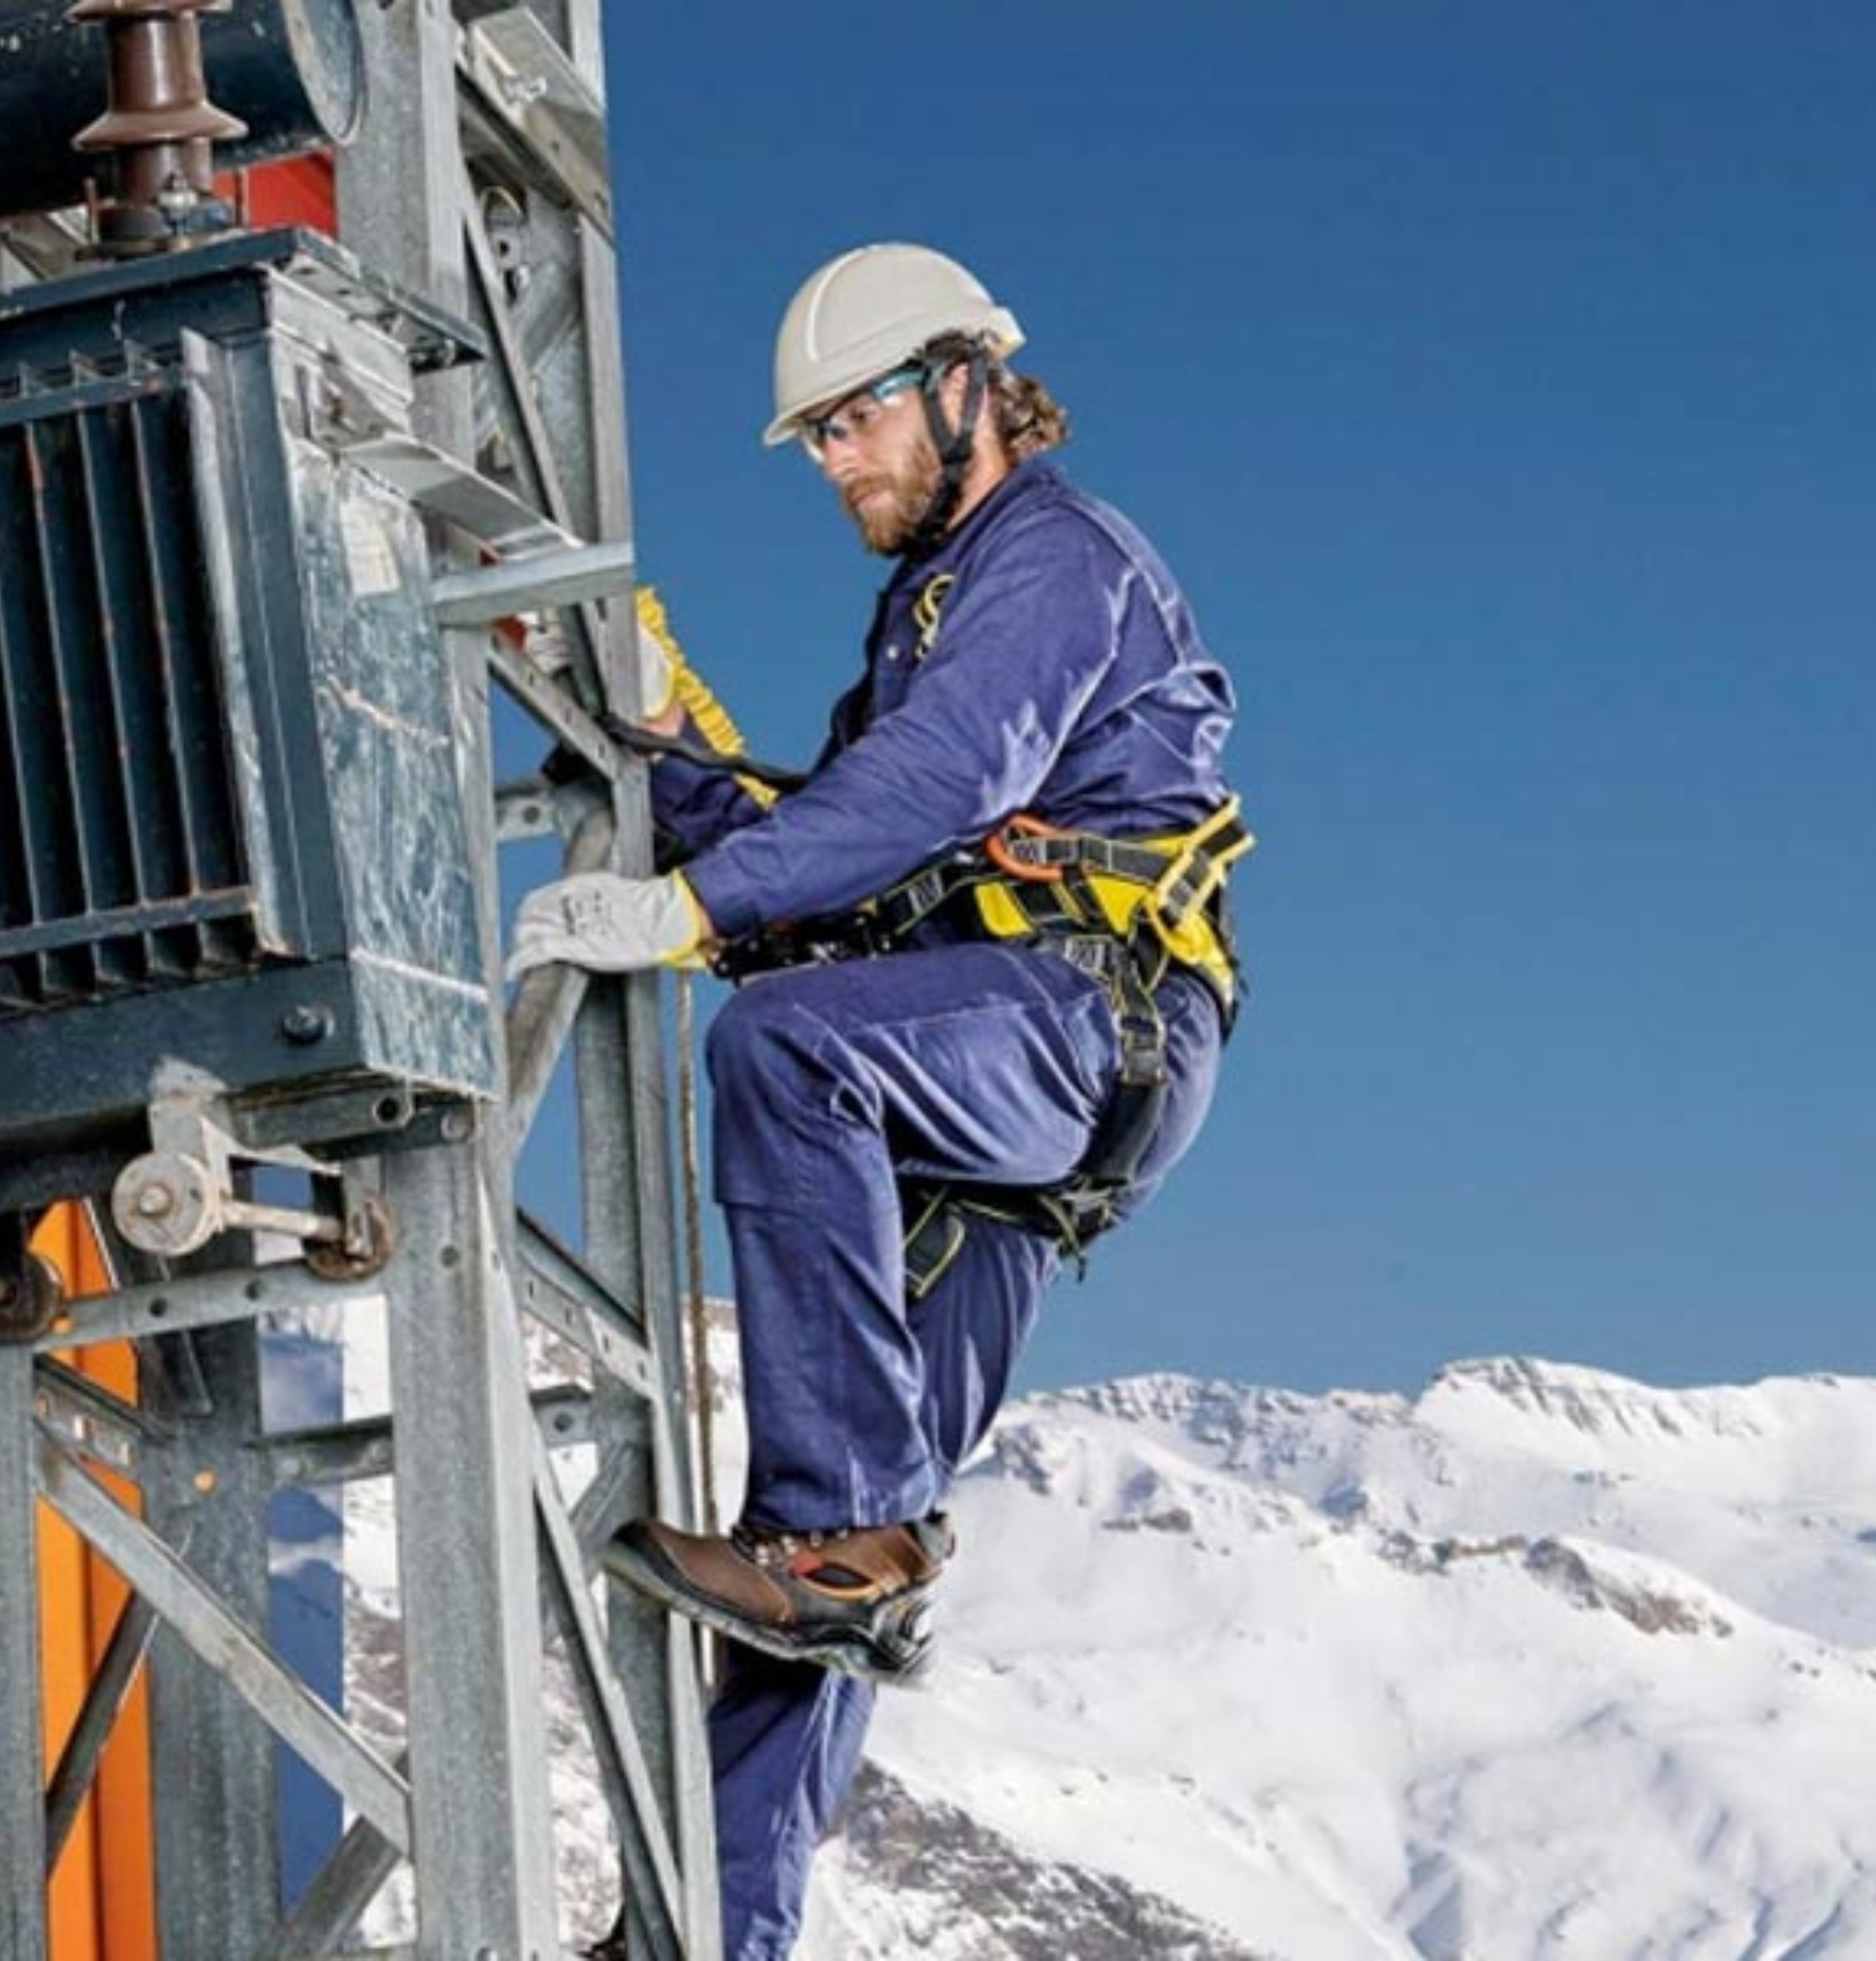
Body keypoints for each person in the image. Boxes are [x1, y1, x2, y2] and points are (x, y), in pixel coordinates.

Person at [506, 242, 1245, 1959]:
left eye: (853, 423)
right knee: (824, 1573)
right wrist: (665, 737)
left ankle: (841, 1534)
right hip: (991, 1099)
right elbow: (836, 857)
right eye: (818, 438)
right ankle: (714, 1933)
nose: (836, 463)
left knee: (790, 1047)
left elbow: (936, 788)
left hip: (1082, 1019)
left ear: (965, 386)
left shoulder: (1057, 564)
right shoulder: (922, 616)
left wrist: (693, 912)